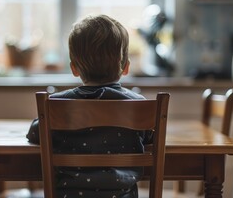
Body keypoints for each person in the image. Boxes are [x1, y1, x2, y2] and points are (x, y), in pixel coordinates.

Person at [27, 14, 153, 198]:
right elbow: (149, 137)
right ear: (125, 67)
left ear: (74, 68)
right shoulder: (137, 106)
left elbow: (34, 133)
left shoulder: (57, 105)